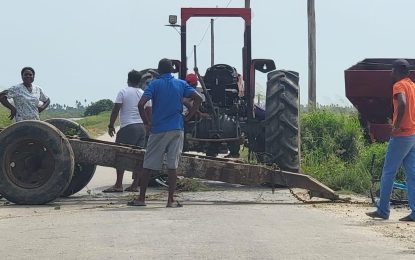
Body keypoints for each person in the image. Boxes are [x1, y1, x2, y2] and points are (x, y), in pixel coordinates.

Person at [128, 58, 202, 207]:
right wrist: (189, 116)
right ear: (171, 70)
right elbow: (198, 98)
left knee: (148, 165)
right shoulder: (181, 84)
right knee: (172, 166)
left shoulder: (154, 84)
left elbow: (141, 104)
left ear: (159, 70)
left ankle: (141, 199)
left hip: (159, 129)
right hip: (177, 128)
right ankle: (170, 200)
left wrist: (147, 123)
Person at [366, 59, 415, 221]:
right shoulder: (413, 86)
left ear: (398, 71)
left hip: (401, 136)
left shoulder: (399, 85)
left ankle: (383, 210)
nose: (391, 74)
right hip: (413, 136)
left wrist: (396, 126)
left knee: (388, 173)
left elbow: (402, 103)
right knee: (412, 174)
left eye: (392, 70)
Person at [104, 70, 151, 193]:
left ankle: (118, 184)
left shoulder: (123, 92)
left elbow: (115, 109)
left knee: (120, 155)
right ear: (139, 81)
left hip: (128, 127)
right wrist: (146, 126)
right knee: (138, 157)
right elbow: (149, 111)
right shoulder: (143, 93)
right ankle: (135, 185)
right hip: (141, 128)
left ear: (128, 80)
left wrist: (111, 125)